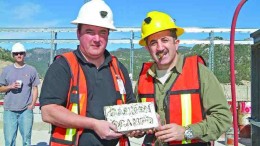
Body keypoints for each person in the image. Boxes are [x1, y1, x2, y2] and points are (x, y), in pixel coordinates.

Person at [39, 0, 137, 146]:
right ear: (78, 33)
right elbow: (48, 111)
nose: (97, 39)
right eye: (90, 32)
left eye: (102, 32)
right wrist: (93, 124)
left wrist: (140, 125)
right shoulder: (63, 66)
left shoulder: (118, 68)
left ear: (108, 35)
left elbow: (130, 106)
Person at [135, 11, 232, 146]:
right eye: (153, 42)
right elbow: (137, 120)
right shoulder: (143, 79)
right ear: (147, 48)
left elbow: (223, 118)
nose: (160, 47)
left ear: (176, 43)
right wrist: (138, 128)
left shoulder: (200, 73)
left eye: (165, 40)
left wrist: (187, 132)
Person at [0, 42, 41, 146]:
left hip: (26, 111)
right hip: (9, 110)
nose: (19, 55)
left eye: (21, 53)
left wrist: (32, 104)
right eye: (16, 53)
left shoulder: (31, 70)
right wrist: (10, 86)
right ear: (13, 55)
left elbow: (35, 88)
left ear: (25, 54)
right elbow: (0, 88)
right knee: (9, 141)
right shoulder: (7, 70)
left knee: (26, 140)